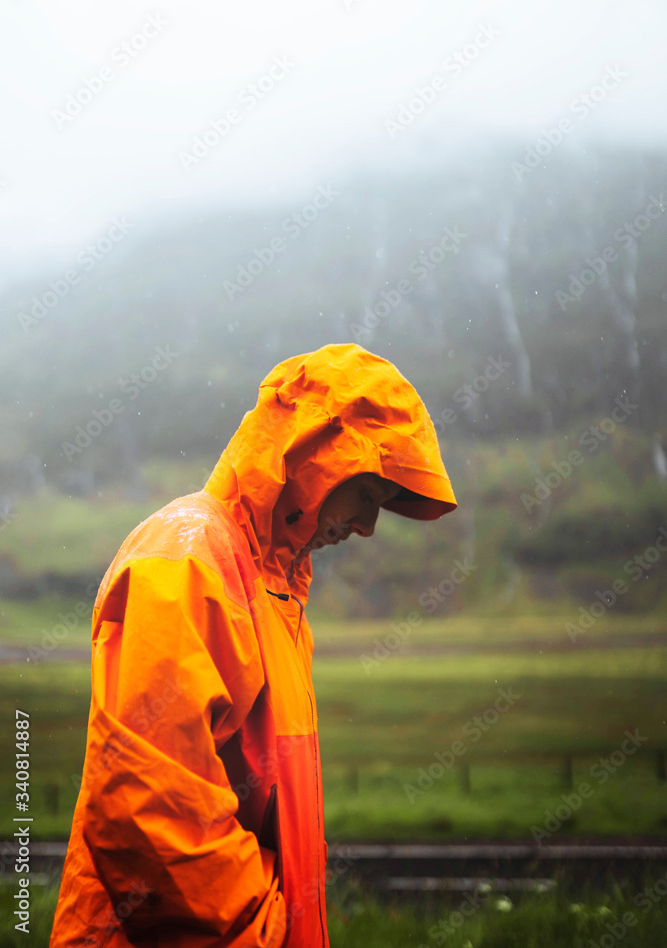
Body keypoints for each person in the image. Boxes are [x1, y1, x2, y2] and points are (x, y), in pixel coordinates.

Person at [49, 342, 457, 948]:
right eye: (368, 495)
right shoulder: (189, 561)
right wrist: (267, 933)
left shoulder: (276, 591)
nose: (369, 526)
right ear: (317, 453)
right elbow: (152, 814)